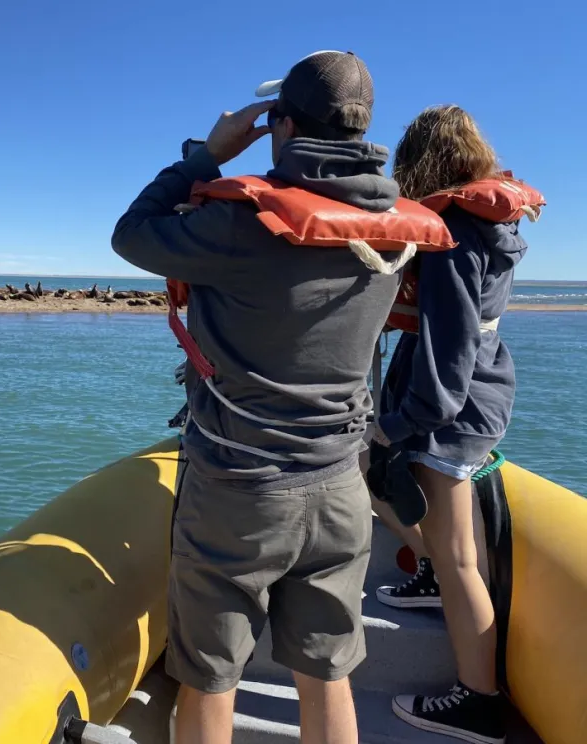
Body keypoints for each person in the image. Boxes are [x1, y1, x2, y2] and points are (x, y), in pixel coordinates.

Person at [111, 51, 452, 744]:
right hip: (340, 489)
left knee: (210, 678)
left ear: (282, 125)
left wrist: (207, 155)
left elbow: (132, 234)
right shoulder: (393, 234)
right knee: (327, 679)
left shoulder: (239, 225)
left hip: (240, 490)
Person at [371, 105, 541, 744]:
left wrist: (402, 423)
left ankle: (478, 701)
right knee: (377, 480)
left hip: (452, 409)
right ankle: (432, 575)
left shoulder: (453, 240)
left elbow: (449, 352)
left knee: (463, 559)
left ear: (420, 166)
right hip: (481, 396)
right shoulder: (486, 226)